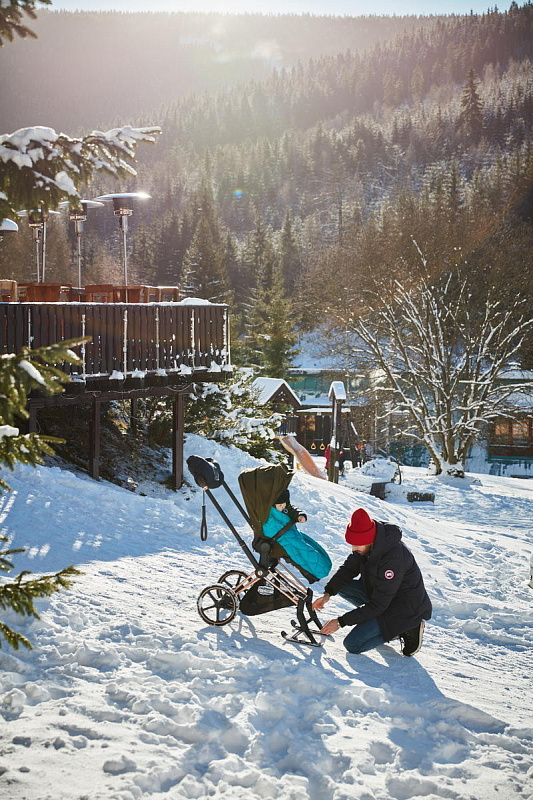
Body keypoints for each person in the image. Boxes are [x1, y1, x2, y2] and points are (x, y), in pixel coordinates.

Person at [312, 507, 431, 656]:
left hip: (403, 609)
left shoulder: (392, 560)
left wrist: (340, 621)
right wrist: (327, 594)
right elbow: (348, 570)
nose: (353, 549)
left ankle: (404, 627)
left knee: (352, 644)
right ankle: (377, 622)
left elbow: (379, 605)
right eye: (352, 544)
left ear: (369, 540)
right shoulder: (367, 544)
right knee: (342, 586)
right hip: (382, 597)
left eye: (357, 544)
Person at [262, 489, 332, 581]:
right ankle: (317, 571)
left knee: (308, 546)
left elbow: (291, 509)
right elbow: (270, 529)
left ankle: (320, 566)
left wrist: (299, 515)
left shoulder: (284, 508)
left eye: (284, 504)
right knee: (301, 549)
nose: (283, 507)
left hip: (289, 532)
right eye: (280, 505)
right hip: (281, 537)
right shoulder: (269, 516)